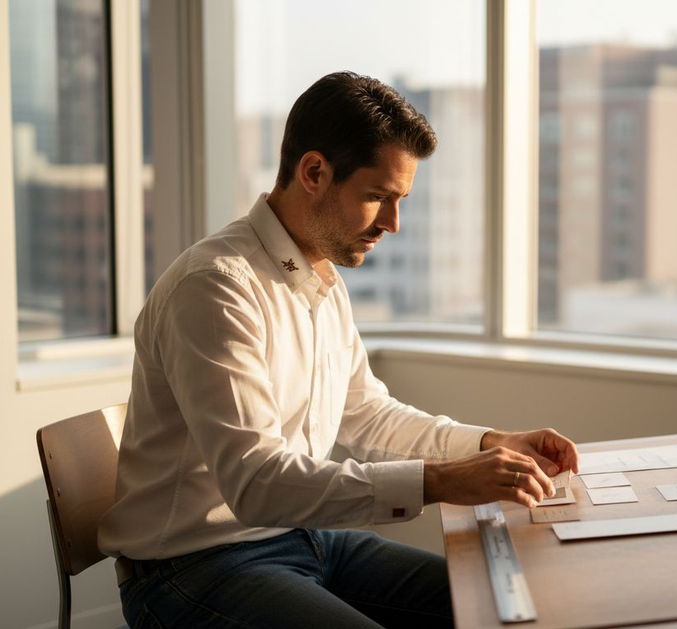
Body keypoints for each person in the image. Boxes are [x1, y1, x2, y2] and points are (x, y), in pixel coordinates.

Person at [98, 71, 579, 629]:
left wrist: (489, 444)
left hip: (305, 538)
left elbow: (367, 415)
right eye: (377, 197)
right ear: (314, 172)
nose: (393, 224)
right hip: (193, 567)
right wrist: (443, 480)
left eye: (399, 201)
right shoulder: (215, 287)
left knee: (503, 604)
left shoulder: (321, 278)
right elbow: (256, 482)